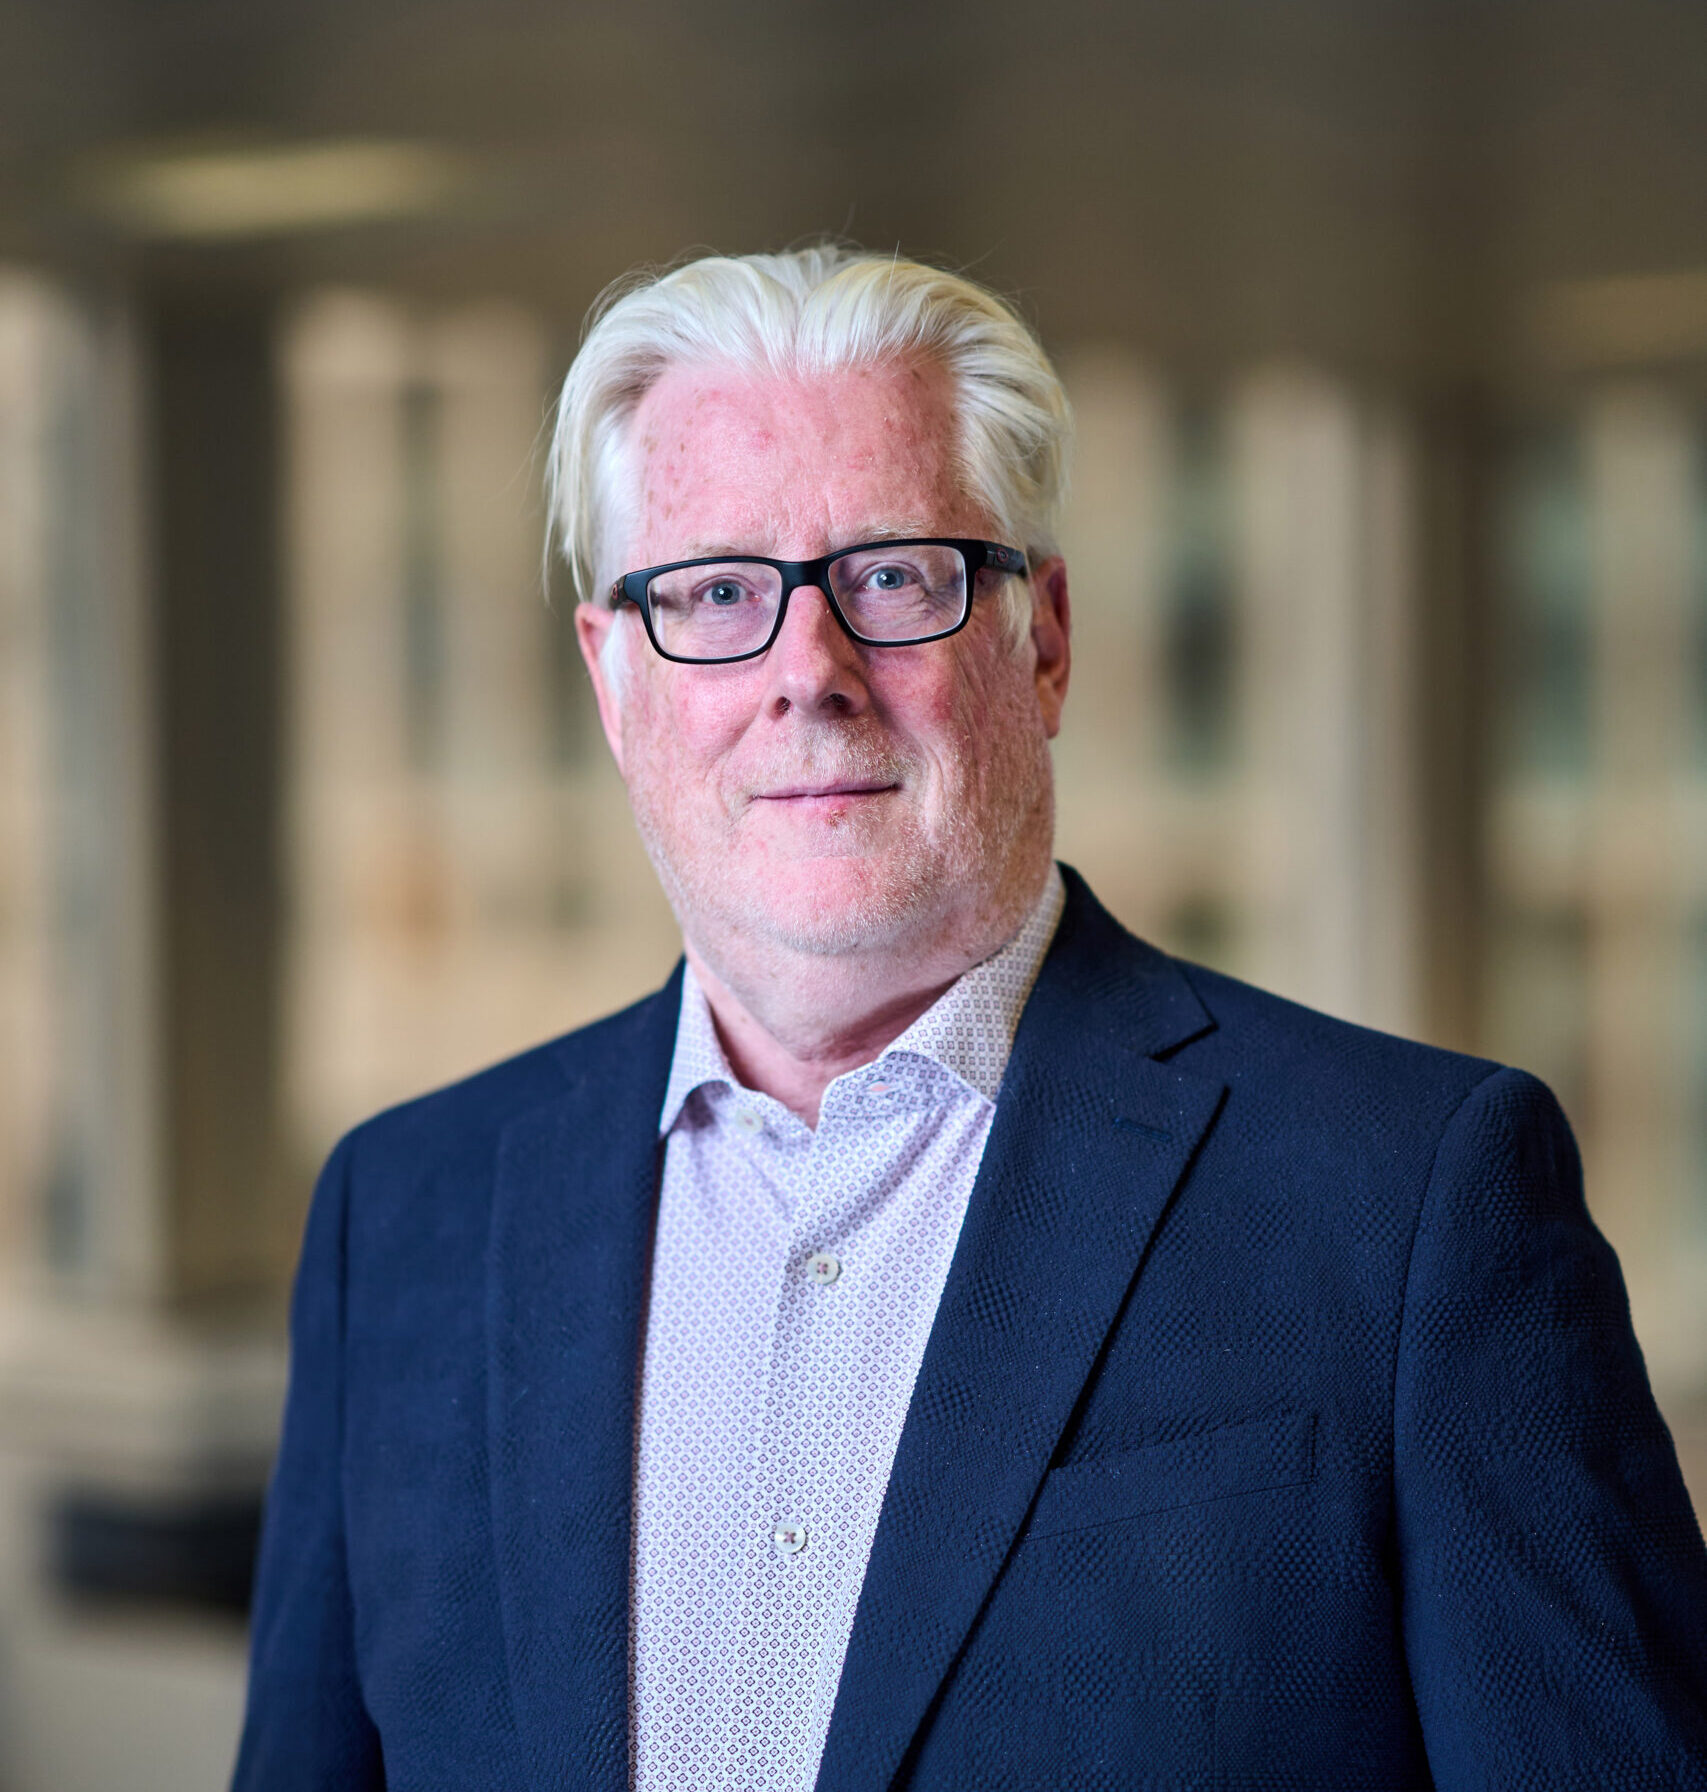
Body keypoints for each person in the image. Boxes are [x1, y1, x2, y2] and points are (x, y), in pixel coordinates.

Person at [233, 246, 1707, 1792]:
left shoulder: (1412, 1203)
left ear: (1043, 639)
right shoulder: (403, 1220)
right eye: (718, 591)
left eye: (891, 576)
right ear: (613, 681)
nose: (808, 673)